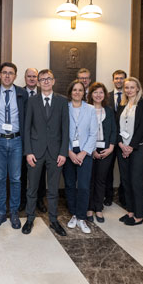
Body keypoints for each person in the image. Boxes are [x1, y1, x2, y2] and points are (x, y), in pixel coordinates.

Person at [22, 69, 70, 236]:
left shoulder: (62, 102)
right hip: (35, 151)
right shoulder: (32, 101)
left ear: (54, 80)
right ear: (38, 82)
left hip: (56, 153)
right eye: (42, 79)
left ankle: (54, 220)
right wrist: (28, 151)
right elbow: (26, 128)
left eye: (48, 78)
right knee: (32, 188)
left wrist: (63, 152)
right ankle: (29, 218)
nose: (46, 82)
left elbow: (65, 129)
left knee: (53, 190)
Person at [0, 62, 27, 229]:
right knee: (0, 178)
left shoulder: (22, 93)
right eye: (4, 73)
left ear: (15, 76)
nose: (7, 75)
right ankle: (1, 212)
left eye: (11, 73)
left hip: (17, 140)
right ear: (0, 75)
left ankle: (14, 212)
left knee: (16, 179)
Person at [62, 80, 98, 234]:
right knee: (69, 185)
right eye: (74, 90)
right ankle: (74, 214)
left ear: (84, 93)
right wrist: (69, 152)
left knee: (83, 186)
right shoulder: (64, 108)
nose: (77, 92)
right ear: (70, 92)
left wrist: (83, 153)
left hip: (85, 153)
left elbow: (93, 133)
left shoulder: (90, 109)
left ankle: (81, 217)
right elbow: (60, 132)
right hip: (68, 152)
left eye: (80, 90)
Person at [117, 77, 143, 226]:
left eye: (132, 87)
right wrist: (121, 144)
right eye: (127, 87)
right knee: (125, 181)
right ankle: (130, 211)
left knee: (136, 181)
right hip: (122, 149)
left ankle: (138, 215)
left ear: (138, 88)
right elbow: (117, 127)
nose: (129, 90)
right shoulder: (122, 105)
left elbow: (142, 127)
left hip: (138, 148)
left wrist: (130, 146)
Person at [87, 82, 117, 223]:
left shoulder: (109, 110)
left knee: (101, 180)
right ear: (90, 94)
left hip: (106, 149)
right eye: (95, 92)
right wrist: (91, 149)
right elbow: (83, 131)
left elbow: (113, 130)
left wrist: (111, 147)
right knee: (89, 179)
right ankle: (89, 208)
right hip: (89, 149)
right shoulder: (85, 109)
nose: (98, 95)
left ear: (104, 95)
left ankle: (98, 208)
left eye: (101, 92)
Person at [20, 67, 46, 213]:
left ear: (38, 79)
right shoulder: (19, 93)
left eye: (34, 76)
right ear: (25, 78)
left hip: (40, 141)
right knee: (23, 172)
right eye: (29, 76)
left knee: (41, 172)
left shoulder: (44, 93)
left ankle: (39, 200)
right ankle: (23, 200)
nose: (31, 79)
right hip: (23, 139)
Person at [108, 69, 127, 207]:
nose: (119, 80)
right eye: (116, 78)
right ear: (113, 80)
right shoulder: (106, 96)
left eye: (121, 78)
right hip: (109, 139)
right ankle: (107, 196)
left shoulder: (130, 97)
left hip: (123, 140)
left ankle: (124, 197)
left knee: (124, 170)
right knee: (107, 170)